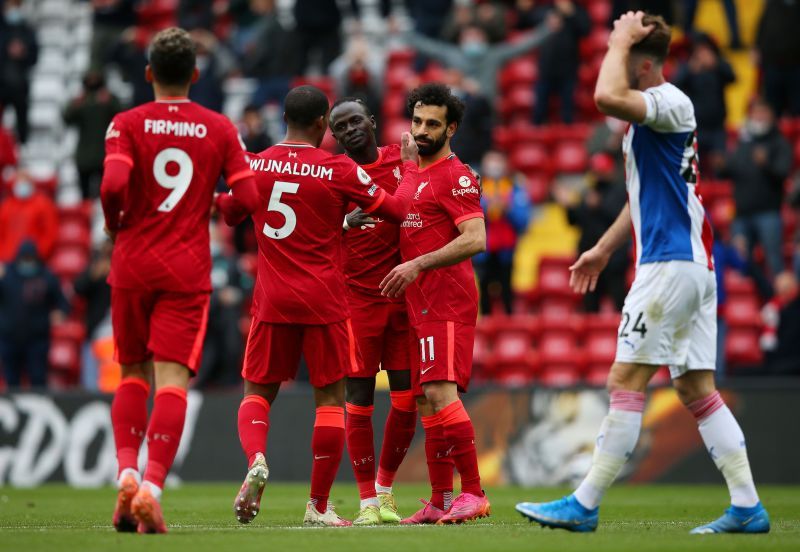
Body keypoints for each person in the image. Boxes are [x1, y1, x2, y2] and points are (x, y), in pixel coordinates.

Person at [516, 12, 770, 535]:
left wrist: (616, 42)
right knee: (697, 389)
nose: (614, 64)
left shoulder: (668, 101)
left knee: (625, 379)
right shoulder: (653, 119)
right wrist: (605, 248)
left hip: (670, 267)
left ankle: (584, 503)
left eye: (625, 60)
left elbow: (605, 98)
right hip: (691, 266)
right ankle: (747, 506)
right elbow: (640, 197)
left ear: (646, 66)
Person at [225, 85, 421, 528]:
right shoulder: (336, 169)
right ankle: (318, 505)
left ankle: (257, 458)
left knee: (257, 393)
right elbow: (398, 207)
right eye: (337, 124)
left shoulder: (254, 163)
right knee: (332, 401)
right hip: (328, 299)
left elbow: (230, 212)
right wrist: (409, 170)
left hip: (272, 298)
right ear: (322, 127)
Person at [101, 27, 259, 534]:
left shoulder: (126, 122)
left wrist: (113, 221)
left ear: (148, 73)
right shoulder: (217, 127)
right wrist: (221, 209)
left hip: (131, 262)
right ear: (195, 74)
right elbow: (250, 198)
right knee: (171, 382)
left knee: (131, 373)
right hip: (187, 267)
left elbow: (113, 184)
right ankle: (149, 487)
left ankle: (126, 472)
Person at [380, 83, 489, 525]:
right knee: (426, 400)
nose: (422, 130)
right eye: (418, 121)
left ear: (451, 129)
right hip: (418, 303)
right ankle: (441, 498)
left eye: (433, 124)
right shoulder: (415, 171)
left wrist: (417, 264)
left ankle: (475, 493)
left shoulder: (455, 176)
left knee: (440, 393)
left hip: (447, 299)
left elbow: (476, 238)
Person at [328, 98, 417, 526]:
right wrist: (345, 223)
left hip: (402, 300)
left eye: (355, 121)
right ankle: (366, 502)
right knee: (359, 399)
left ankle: (385, 491)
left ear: (372, 121)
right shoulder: (334, 175)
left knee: (405, 399)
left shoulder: (403, 159)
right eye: (340, 126)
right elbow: (311, 229)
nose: (349, 130)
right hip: (355, 302)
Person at [717, 97, 792, 298]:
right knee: (740, 265)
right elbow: (730, 171)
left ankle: (778, 308)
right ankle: (761, 301)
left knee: (773, 262)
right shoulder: (743, 142)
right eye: (755, 112)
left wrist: (766, 164)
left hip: (768, 214)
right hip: (741, 215)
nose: (758, 116)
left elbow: (784, 172)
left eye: (763, 112)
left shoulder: (779, 142)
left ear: (771, 115)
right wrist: (722, 166)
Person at [559, 153, 629, 312]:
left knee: (619, 304)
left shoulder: (619, 190)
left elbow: (623, 218)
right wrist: (569, 206)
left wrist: (600, 205)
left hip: (614, 259)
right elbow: (574, 221)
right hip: (589, 256)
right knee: (590, 305)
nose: (598, 174)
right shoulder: (588, 191)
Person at [0, 240, 69, 388]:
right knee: (11, 381)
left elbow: (62, 302)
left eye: (30, 258)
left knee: (38, 380)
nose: (27, 262)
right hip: (9, 338)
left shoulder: (47, 276)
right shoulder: (6, 274)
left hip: (37, 340)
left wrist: (60, 313)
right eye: (24, 258)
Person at [194, 224, 252, 389]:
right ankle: (204, 375)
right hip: (205, 315)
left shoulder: (231, 261)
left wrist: (236, 295)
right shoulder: (198, 261)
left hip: (228, 318)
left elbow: (247, 284)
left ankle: (229, 377)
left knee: (229, 323)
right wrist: (216, 296)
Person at [473, 150, 531, 315]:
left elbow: (523, 221)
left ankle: (509, 331)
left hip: (506, 251)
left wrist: (508, 209)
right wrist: (486, 207)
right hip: (483, 251)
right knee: (484, 292)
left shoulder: (515, 189)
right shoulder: (476, 188)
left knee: (507, 292)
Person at [517, 0, 591, 124]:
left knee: (568, 112)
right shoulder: (544, 10)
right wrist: (523, 10)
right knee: (539, 111)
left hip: (568, 70)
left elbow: (585, 30)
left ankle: (568, 137)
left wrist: (571, 13)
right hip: (546, 69)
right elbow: (524, 23)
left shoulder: (577, 10)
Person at [673, 35, 735, 176]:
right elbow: (675, 86)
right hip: (694, 127)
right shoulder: (688, 67)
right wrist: (689, 70)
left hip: (717, 127)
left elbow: (732, 77)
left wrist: (717, 64)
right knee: (692, 169)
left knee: (719, 167)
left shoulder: (718, 66)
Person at [63, 71, 123, 200]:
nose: (93, 82)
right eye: (90, 79)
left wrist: (110, 102)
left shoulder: (109, 98)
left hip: (105, 155)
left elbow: (122, 117)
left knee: (106, 194)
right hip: (84, 156)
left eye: (95, 79)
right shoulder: (81, 100)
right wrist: (75, 105)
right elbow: (67, 119)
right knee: (84, 196)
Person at [73, 240, 113, 390]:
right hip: (95, 332)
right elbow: (78, 288)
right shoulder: (95, 265)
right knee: (91, 382)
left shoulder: (128, 264)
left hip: (121, 334)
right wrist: (93, 274)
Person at [0, 0, 38, 143]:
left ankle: (22, 149)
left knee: (22, 124)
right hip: (2, 84)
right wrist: (6, 50)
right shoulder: (2, 28)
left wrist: (23, 53)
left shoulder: (27, 30)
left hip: (20, 85)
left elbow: (34, 57)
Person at [0, 171, 59, 263]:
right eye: (19, 182)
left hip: (34, 260)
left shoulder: (43, 204)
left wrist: (38, 254)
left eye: (25, 182)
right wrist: (3, 256)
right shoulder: (6, 206)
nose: (22, 185)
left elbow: (50, 233)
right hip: (8, 260)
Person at [755, 0, 800, 117]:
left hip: (795, 65)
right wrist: (757, 48)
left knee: (796, 106)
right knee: (772, 106)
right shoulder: (771, 4)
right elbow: (762, 28)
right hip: (772, 65)